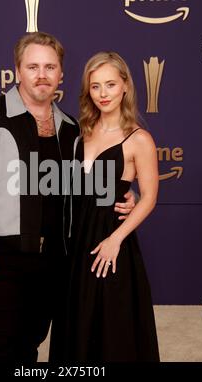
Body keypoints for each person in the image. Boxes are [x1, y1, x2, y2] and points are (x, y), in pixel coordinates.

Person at [0, 33, 136, 363]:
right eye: (33, 66)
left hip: (55, 258)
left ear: (61, 75)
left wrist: (126, 191)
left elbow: (87, 184)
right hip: (0, 256)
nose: (42, 74)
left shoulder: (71, 129)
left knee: (30, 343)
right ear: (17, 71)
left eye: (50, 67)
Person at [49, 51, 160, 362]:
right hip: (75, 240)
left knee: (111, 323)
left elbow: (150, 196)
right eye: (95, 86)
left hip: (110, 240)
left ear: (125, 85)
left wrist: (115, 239)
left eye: (110, 84)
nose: (103, 94)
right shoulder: (78, 131)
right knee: (76, 317)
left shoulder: (139, 139)